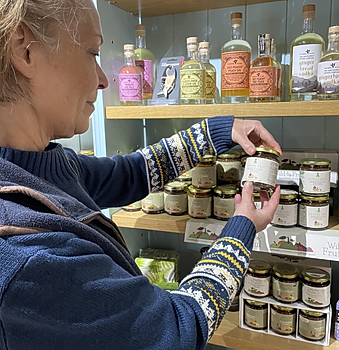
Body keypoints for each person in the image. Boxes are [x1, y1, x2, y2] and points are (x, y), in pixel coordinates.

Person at [0, 0, 281, 349]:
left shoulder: (35, 165)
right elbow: (175, 329)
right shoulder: (30, 254)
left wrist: (219, 131)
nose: (103, 80)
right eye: (92, 52)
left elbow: (129, 174)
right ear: (24, 51)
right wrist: (242, 228)